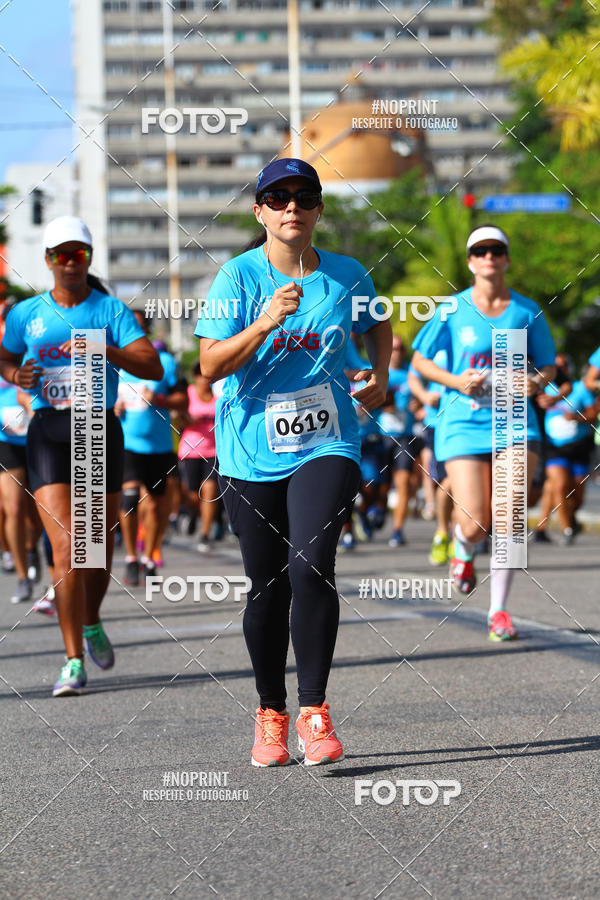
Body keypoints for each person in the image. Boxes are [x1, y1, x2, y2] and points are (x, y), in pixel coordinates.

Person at [196, 158, 392, 766]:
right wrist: (264, 321)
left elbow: (379, 321)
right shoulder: (238, 277)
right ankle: (270, 712)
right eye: (277, 198)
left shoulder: (346, 275)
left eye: (304, 197)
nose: (291, 208)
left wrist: (380, 374)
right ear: (259, 211)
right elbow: (209, 365)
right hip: (250, 449)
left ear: (317, 210)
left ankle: (313, 710)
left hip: (327, 439)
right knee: (268, 585)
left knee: (310, 564)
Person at [0, 216, 163, 695]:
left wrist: (106, 349)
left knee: (97, 552)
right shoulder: (28, 312)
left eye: (79, 255)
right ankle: (72, 659)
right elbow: (5, 357)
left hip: (97, 431)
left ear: (88, 259)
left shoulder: (110, 309)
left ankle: (91, 619)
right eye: (60, 255)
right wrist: (17, 377)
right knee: (67, 548)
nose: (70, 263)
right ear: (47, 260)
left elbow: (150, 364)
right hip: (49, 429)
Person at [412, 224, 555, 641]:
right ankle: (463, 546)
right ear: (472, 261)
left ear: (506, 259)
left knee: (510, 516)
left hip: (514, 422)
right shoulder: (452, 310)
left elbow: (547, 364)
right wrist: (456, 382)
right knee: (475, 523)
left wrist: (536, 382)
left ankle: (499, 611)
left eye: (496, 250)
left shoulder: (526, 312)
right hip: (463, 421)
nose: (488, 257)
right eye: (480, 251)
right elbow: (421, 361)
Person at [116, 331, 187, 583]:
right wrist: (113, 407)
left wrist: (159, 399)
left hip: (159, 447)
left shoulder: (165, 362)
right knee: (129, 500)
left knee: (156, 506)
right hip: (127, 444)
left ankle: (148, 557)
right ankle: (131, 558)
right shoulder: (115, 363)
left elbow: (183, 401)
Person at [539, 376, 599, 543]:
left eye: (563, 366)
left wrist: (576, 418)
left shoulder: (581, 388)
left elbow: (593, 414)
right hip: (554, 449)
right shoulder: (545, 388)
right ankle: (567, 530)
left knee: (577, 496)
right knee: (559, 486)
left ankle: (569, 517)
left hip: (579, 448)